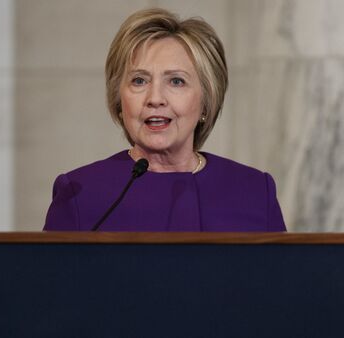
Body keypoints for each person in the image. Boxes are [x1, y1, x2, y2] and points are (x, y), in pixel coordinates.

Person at [44, 8, 285, 231]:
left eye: (176, 81)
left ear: (206, 101)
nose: (155, 98)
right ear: (119, 101)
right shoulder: (81, 194)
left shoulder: (253, 191)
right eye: (139, 81)